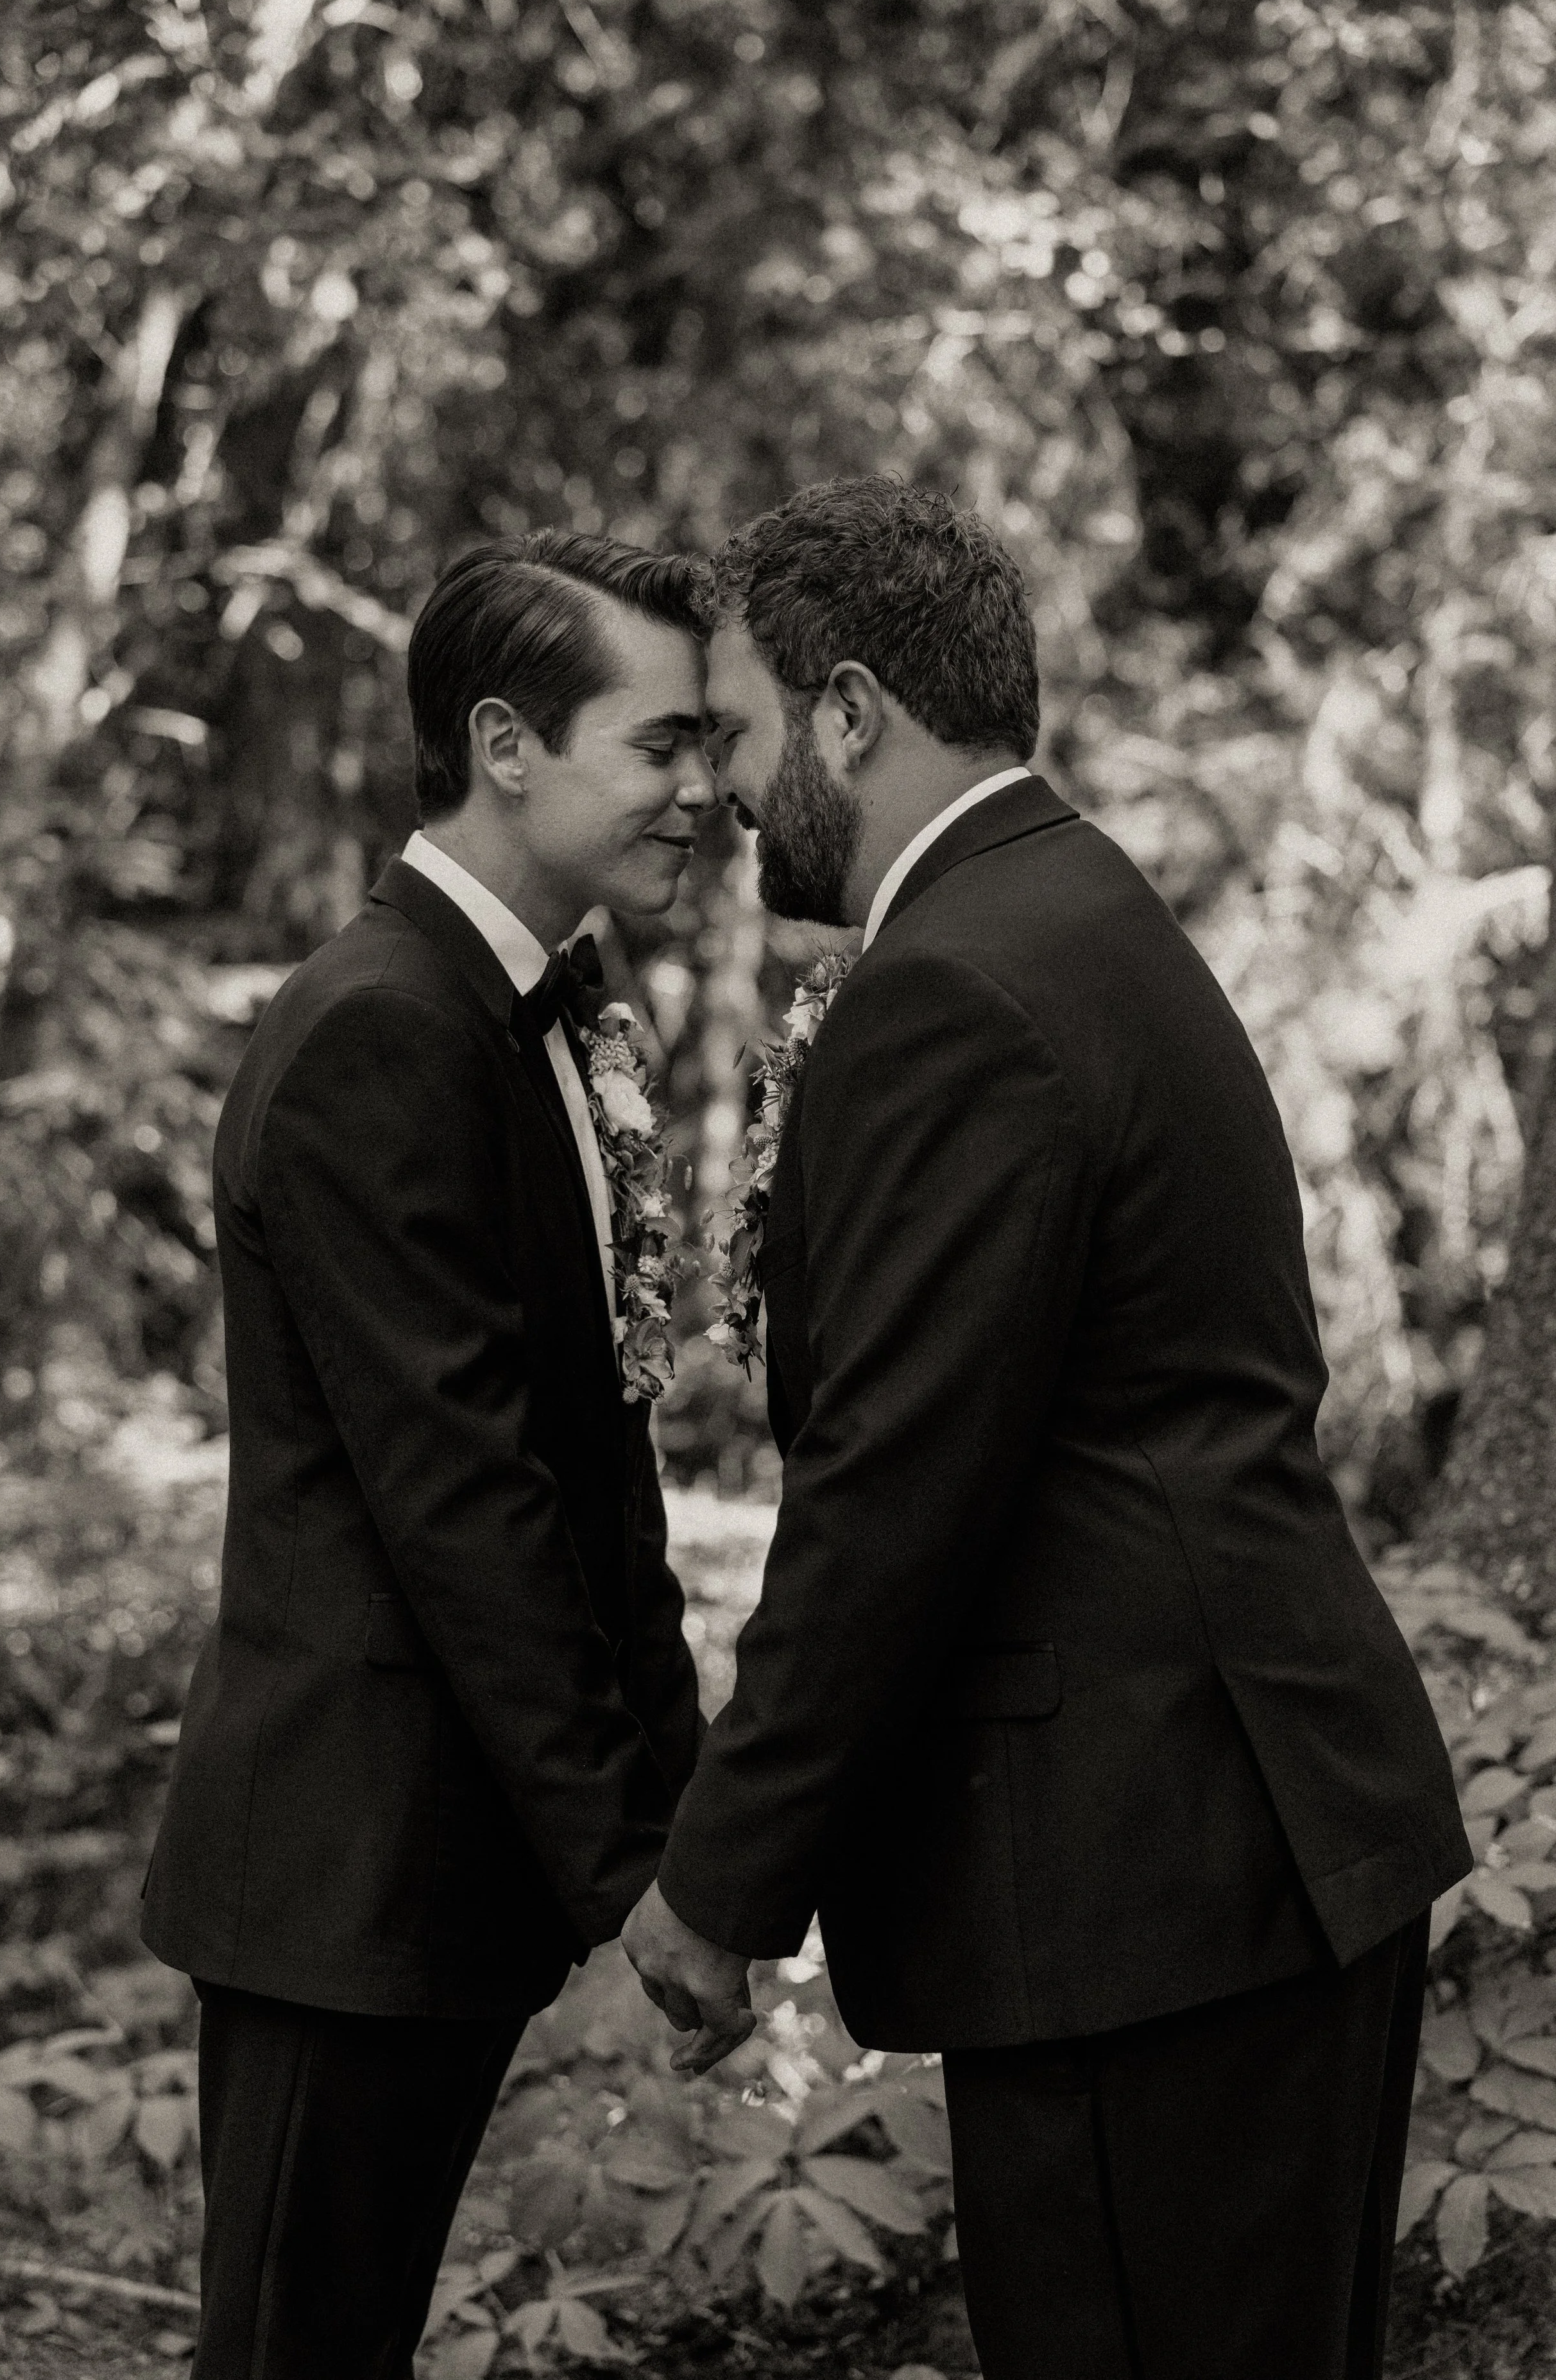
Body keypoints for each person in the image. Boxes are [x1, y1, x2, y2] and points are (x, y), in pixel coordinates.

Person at [623, 476, 1472, 2380]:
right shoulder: (1072, 911)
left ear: (850, 711)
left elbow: (893, 1495)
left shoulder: (953, 991)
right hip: (1233, 1846)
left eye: (743, 727)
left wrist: (717, 1884)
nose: (728, 789)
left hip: (1147, 1879)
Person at [142, 531, 718, 2380]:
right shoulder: (380, 1029)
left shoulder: (533, 1011)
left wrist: (694, 1811)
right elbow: (462, 1497)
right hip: (344, 1872)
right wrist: (636, 1868)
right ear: (505, 743)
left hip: (432, 1867)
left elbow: (593, 1452)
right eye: (664, 745)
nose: (704, 792)